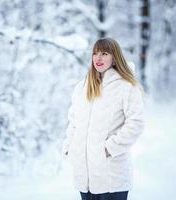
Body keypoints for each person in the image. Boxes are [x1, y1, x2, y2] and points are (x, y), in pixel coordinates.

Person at [62, 38, 145, 200]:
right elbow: (73, 122)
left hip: (111, 175)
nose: (98, 58)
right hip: (84, 175)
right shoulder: (82, 87)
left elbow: (136, 123)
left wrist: (110, 148)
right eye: (95, 53)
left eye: (104, 54)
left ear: (114, 57)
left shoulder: (126, 87)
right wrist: (70, 147)